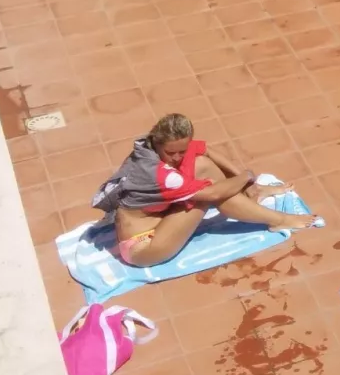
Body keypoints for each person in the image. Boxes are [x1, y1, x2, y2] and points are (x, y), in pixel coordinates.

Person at [95, 113, 320, 267]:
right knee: (206, 195)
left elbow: (205, 151)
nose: (177, 157)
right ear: (159, 142)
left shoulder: (150, 145)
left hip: (155, 221)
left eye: (181, 151)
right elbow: (213, 195)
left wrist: (251, 183)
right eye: (171, 153)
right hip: (142, 248)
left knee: (201, 164)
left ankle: (255, 192)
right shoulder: (162, 175)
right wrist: (246, 176)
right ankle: (277, 220)